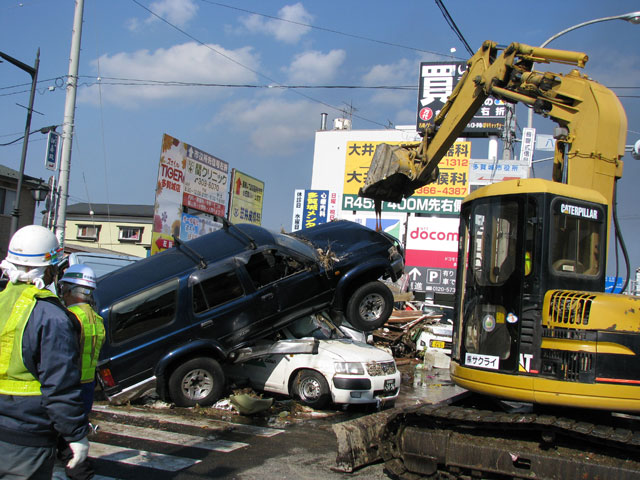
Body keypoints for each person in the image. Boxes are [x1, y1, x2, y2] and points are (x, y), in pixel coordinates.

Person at [0, 225, 90, 479]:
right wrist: (75, 436)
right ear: (49, 269)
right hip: (27, 437)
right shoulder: (51, 316)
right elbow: (59, 386)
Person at [57, 263, 105, 479]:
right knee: (76, 428)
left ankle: (77, 470)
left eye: (64, 289)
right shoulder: (97, 318)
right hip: (87, 383)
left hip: (70, 383)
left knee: (65, 434)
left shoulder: (70, 317)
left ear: (70, 290)